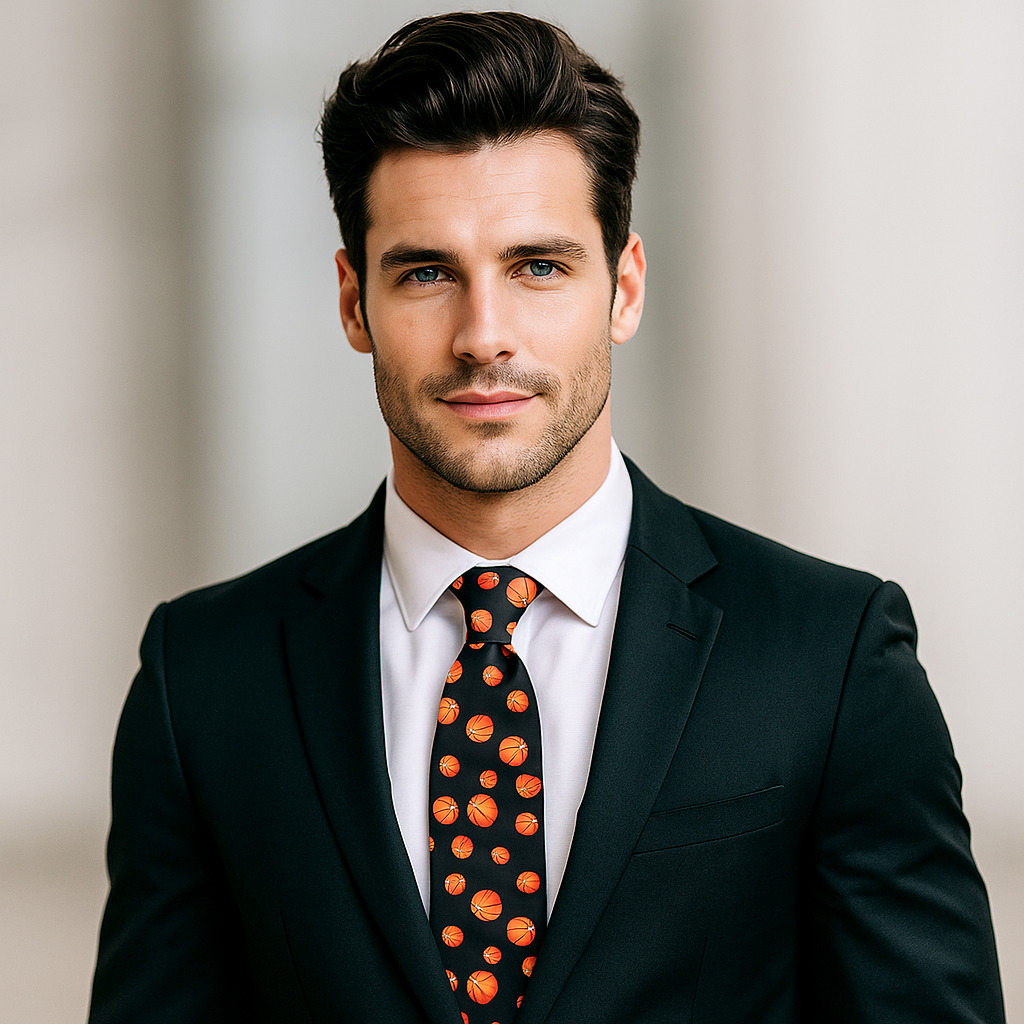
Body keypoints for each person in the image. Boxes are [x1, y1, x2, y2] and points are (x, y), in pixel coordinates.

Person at [89, 11, 1005, 1023]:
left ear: (623, 287)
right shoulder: (204, 679)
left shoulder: (827, 658)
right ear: (353, 301)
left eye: (537, 266)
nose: (484, 335)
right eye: (427, 271)